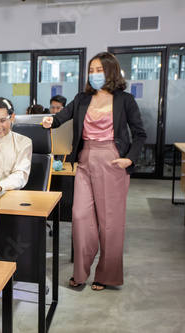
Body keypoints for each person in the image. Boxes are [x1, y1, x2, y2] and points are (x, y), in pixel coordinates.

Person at [42, 52, 146, 291]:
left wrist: (129, 159)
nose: (94, 74)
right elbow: (61, 118)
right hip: (85, 160)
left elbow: (140, 134)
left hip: (112, 160)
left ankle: (106, 276)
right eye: (92, 70)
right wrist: (49, 121)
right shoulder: (81, 98)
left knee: (110, 223)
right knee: (80, 217)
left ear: (110, 71)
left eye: (99, 70)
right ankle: (81, 272)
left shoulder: (125, 100)